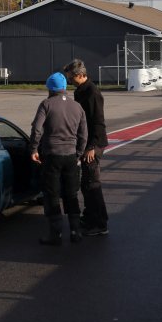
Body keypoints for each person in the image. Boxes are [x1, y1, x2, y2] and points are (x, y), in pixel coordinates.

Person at [30, 72, 88, 245]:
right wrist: (78, 152)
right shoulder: (77, 107)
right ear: (64, 88)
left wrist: (34, 148)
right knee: (71, 193)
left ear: (50, 88)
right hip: (70, 156)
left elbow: (37, 129)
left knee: (52, 194)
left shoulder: (46, 104)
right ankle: (75, 231)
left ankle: (55, 234)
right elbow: (83, 134)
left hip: (52, 155)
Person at [63, 59, 109, 236]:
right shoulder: (81, 91)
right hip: (86, 143)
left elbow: (98, 123)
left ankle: (99, 223)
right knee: (86, 183)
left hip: (93, 144)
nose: (70, 81)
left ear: (81, 75)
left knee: (91, 183)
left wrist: (92, 147)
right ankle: (91, 216)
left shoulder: (92, 93)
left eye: (72, 77)